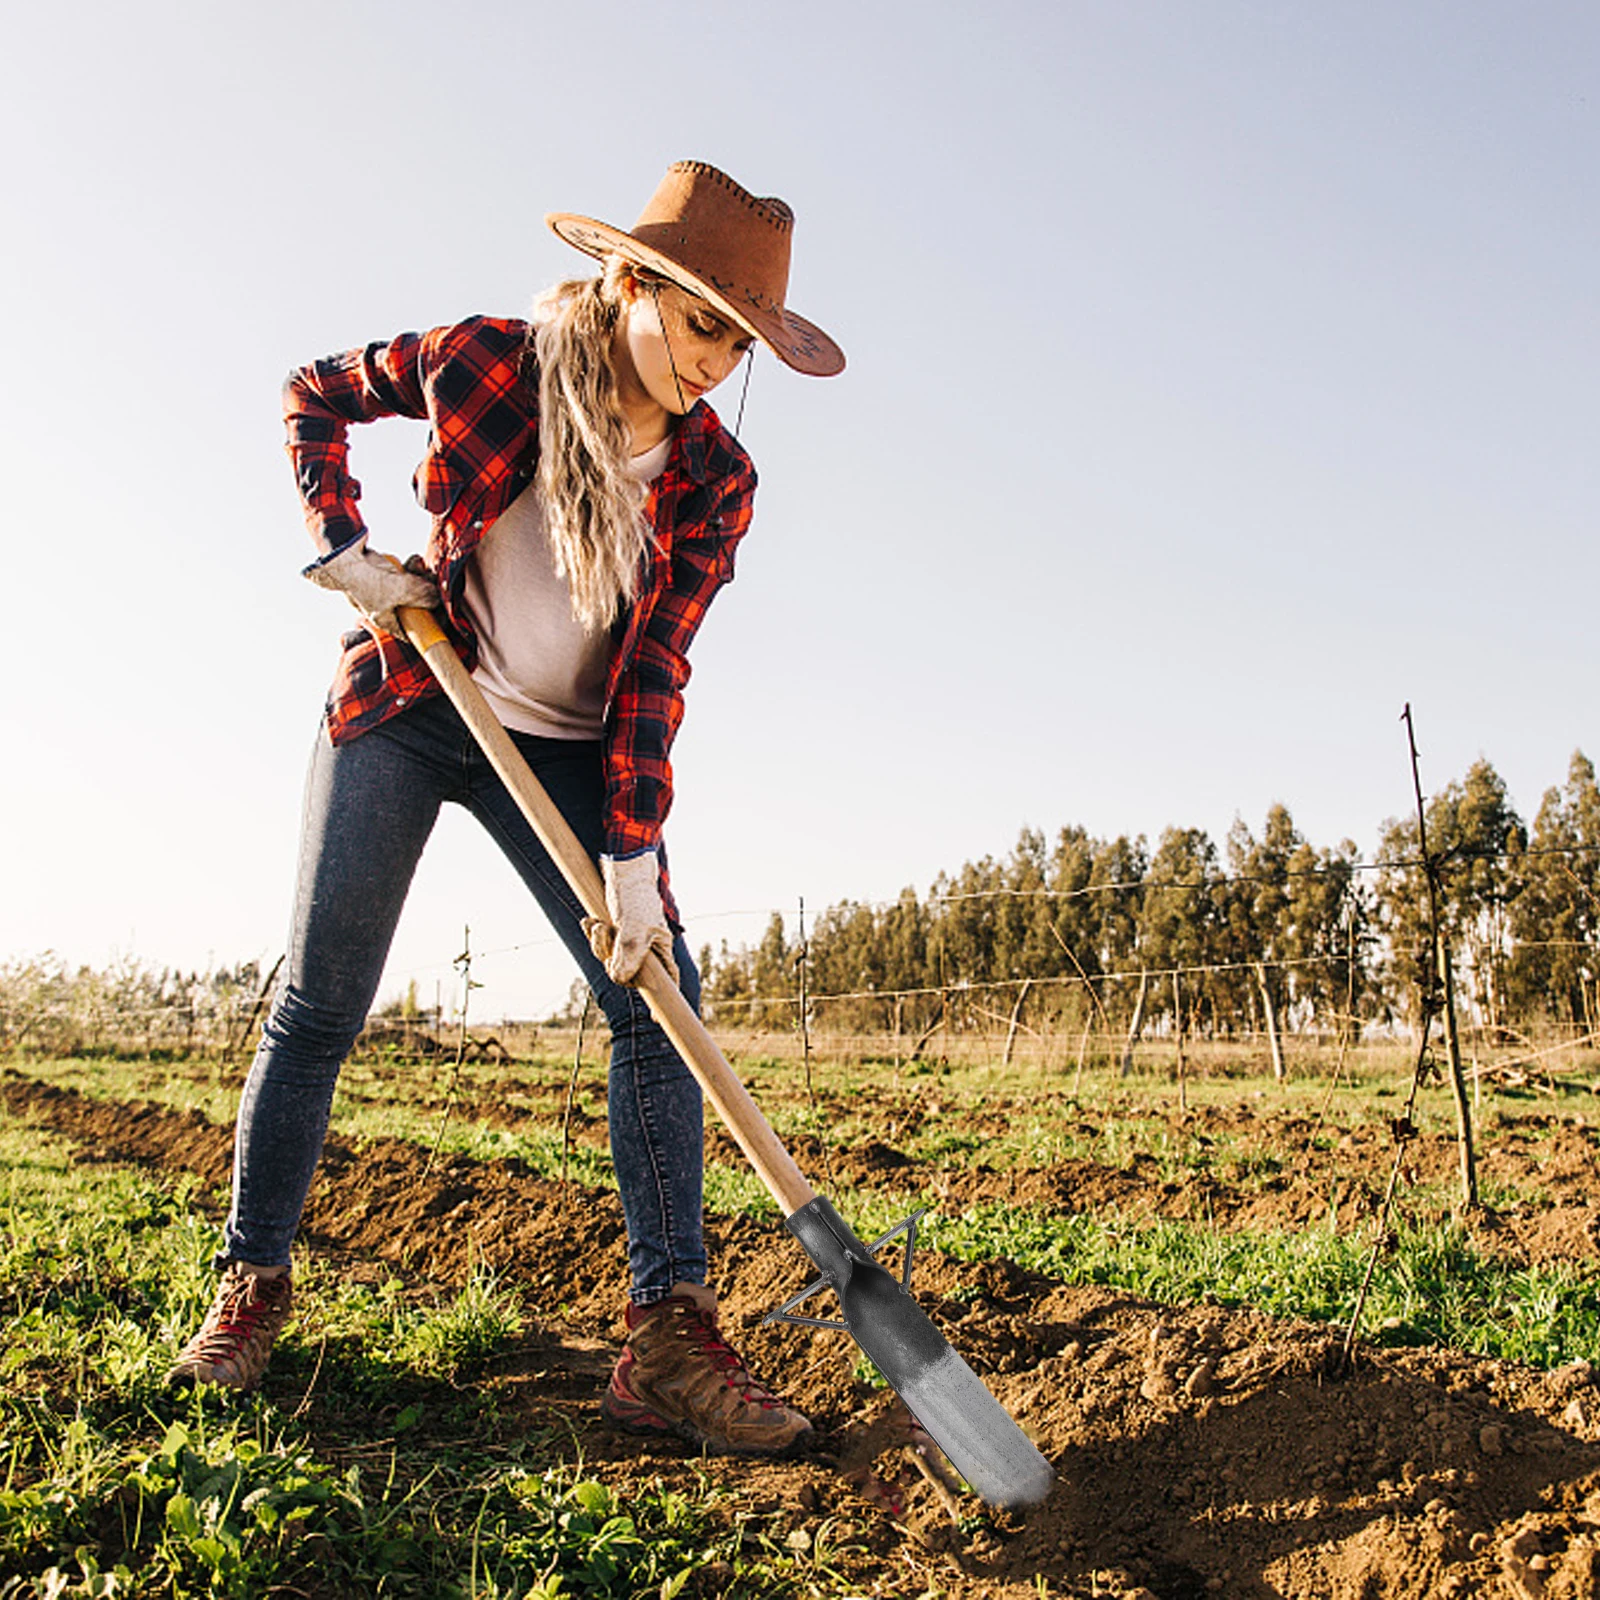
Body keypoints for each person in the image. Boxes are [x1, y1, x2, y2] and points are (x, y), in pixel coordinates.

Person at [166, 160, 845, 1459]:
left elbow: (654, 670)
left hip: (580, 751)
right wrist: (344, 541)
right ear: (631, 283)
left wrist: (632, 863)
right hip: (423, 698)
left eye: (741, 341)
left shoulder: (715, 481)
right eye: (706, 321)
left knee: (657, 1007)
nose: (718, 361)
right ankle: (251, 1285)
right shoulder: (488, 363)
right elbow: (316, 394)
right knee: (320, 1002)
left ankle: (665, 1340)